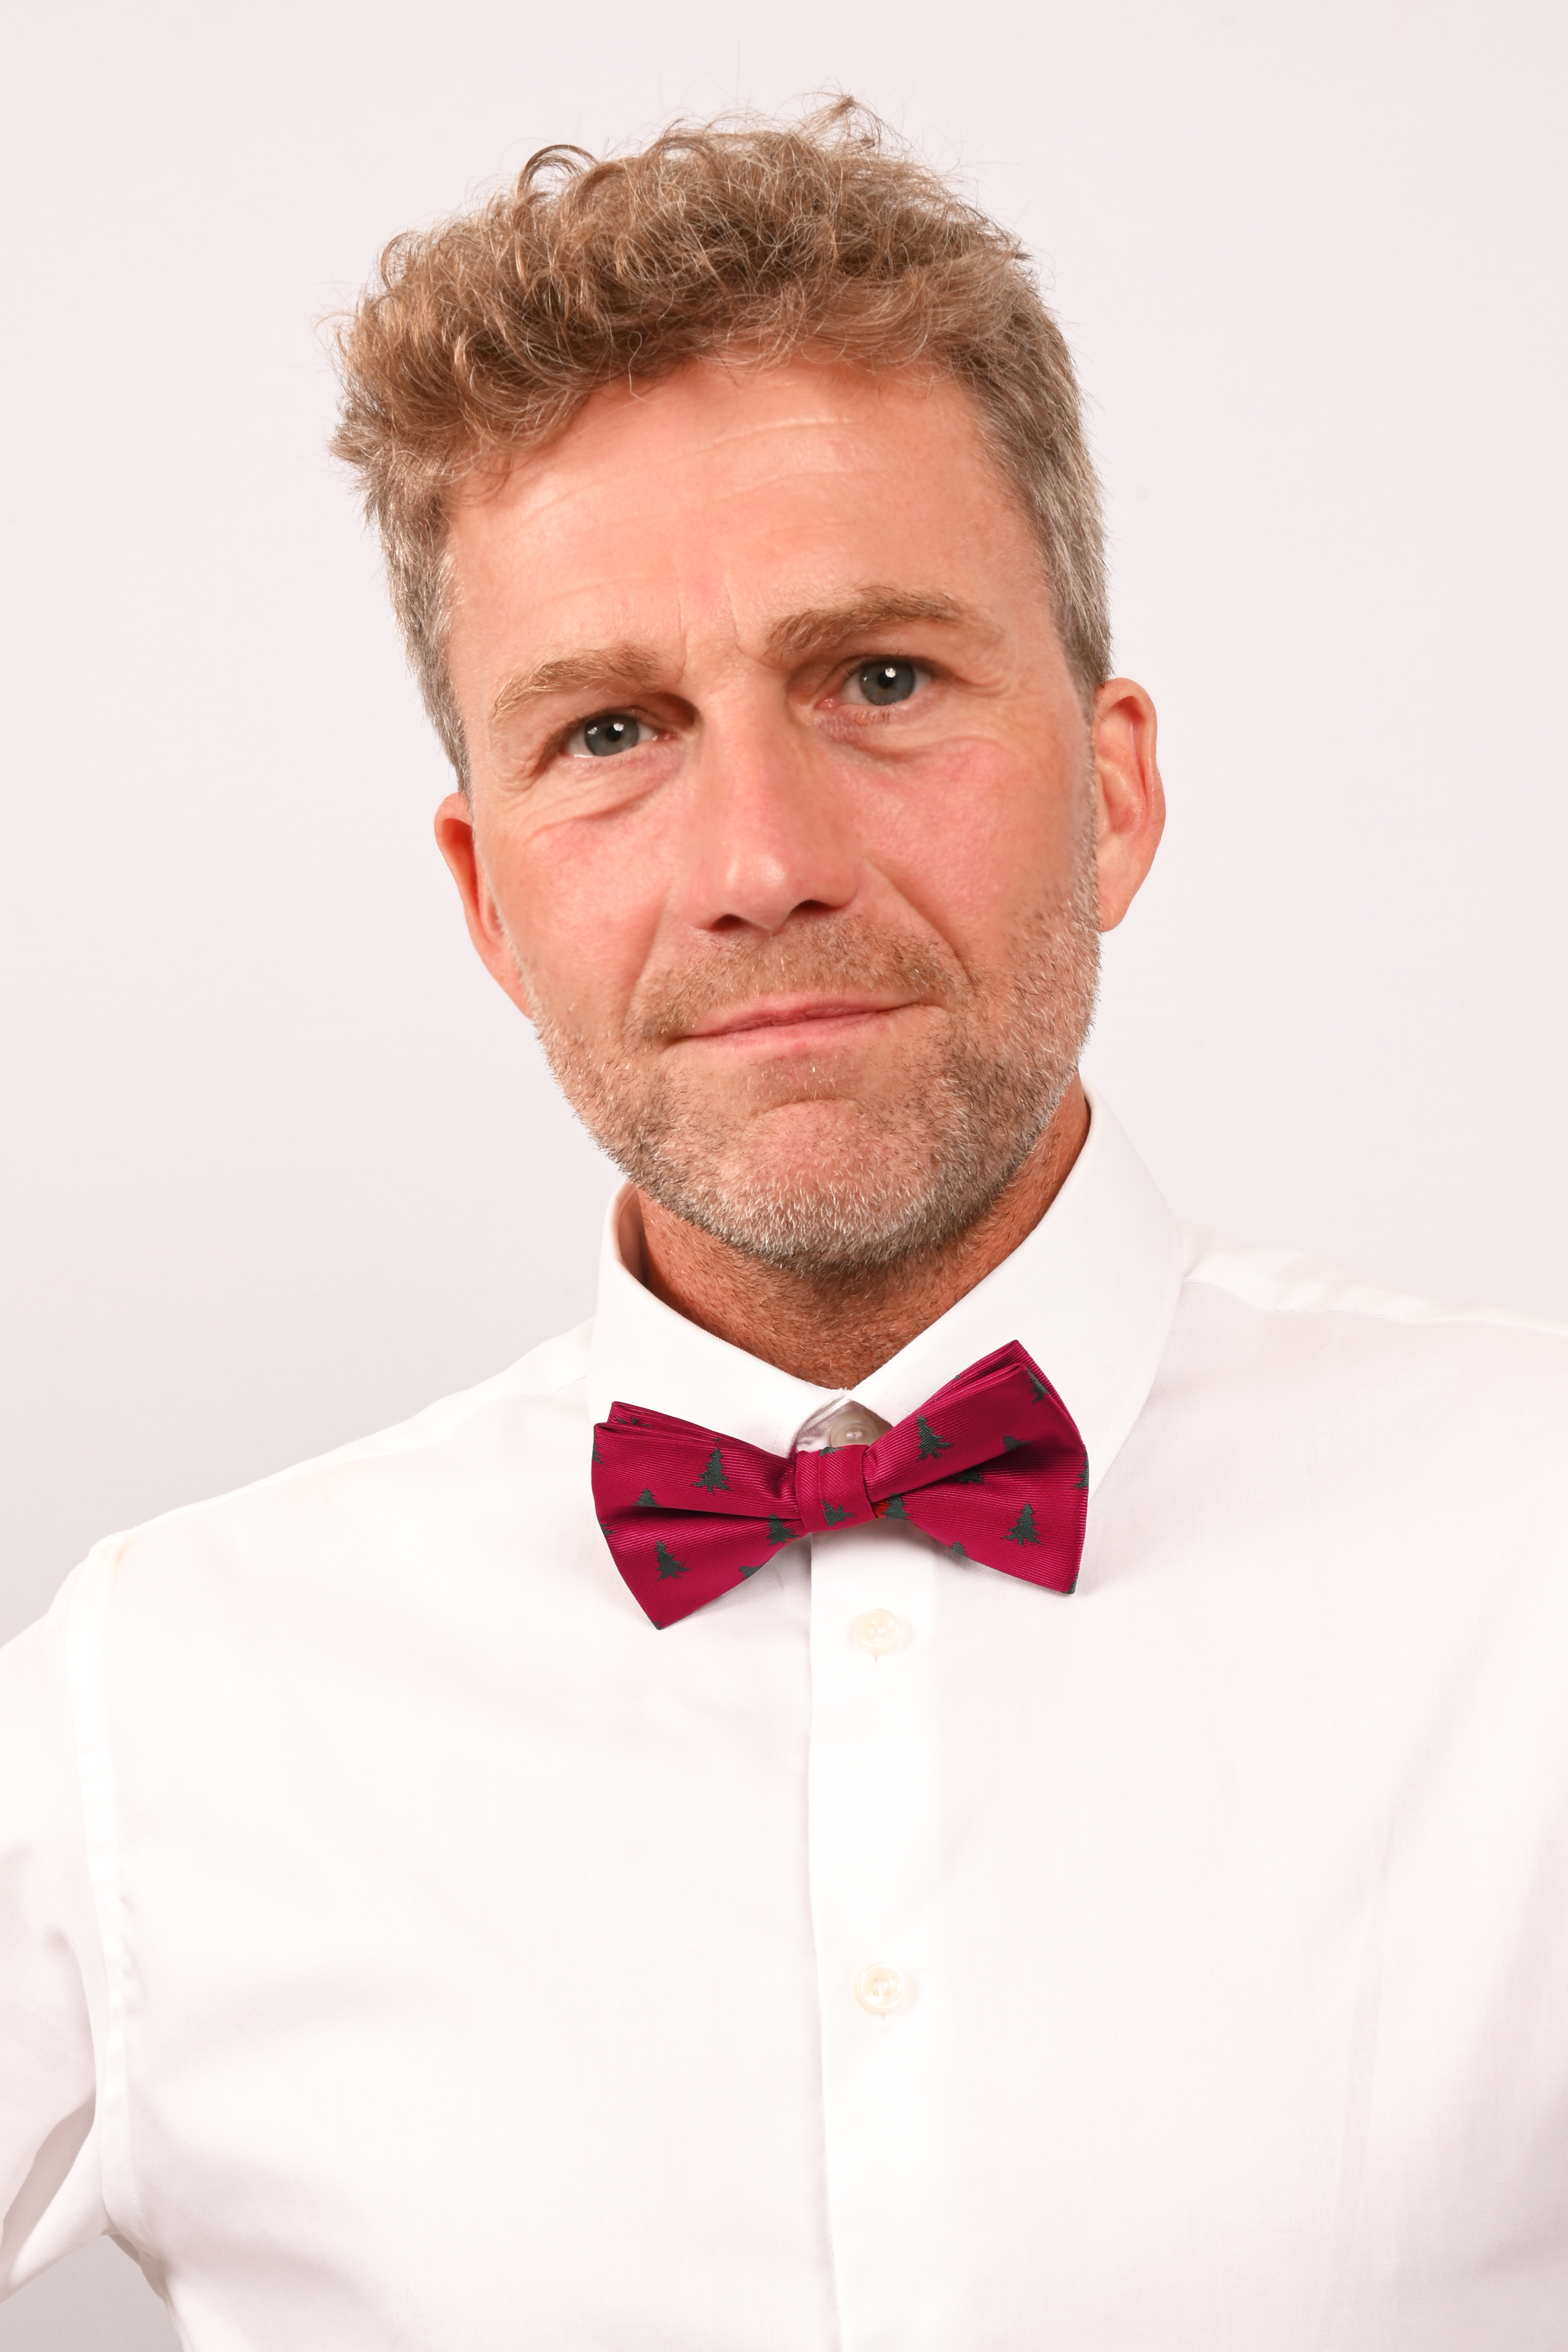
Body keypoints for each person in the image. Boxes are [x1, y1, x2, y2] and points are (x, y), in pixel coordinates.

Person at [2, 101, 1566, 2352]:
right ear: (488, 899)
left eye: (882, 680)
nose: (762, 862)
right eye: (610, 731)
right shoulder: (154, 1709)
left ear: (1115, 787)